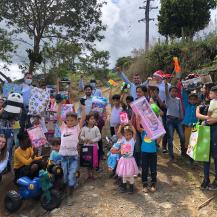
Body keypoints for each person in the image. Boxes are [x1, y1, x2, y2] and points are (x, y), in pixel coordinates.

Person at [57, 103, 86, 205]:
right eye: (68, 120)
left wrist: (83, 108)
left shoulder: (77, 128)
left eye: (72, 120)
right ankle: (65, 192)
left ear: (76, 121)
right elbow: (58, 117)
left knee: (71, 176)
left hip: (73, 157)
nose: (69, 122)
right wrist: (59, 105)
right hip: (63, 157)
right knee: (64, 176)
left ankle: (70, 196)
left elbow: (83, 118)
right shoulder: (63, 128)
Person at [196, 87, 217, 190]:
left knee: (215, 156)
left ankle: (216, 181)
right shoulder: (202, 103)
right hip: (204, 131)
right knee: (205, 156)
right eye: (204, 89)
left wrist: (214, 120)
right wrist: (208, 119)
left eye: (206, 89)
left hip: (214, 130)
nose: (205, 91)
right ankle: (206, 179)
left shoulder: (214, 102)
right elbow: (198, 114)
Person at [136, 116, 157, 193]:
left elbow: (161, 134)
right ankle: (144, 184)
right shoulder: (143, 131)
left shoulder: (154, 132)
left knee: (153, 168)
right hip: (144, 152)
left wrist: (157, 144)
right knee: (144, 168)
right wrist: (138, 120)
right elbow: (138, 128)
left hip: (153, 152)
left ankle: (153, 183)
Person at [165, 80, 185, 160]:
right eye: (172, 91)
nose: (174, 93)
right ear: (170, 92)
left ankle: (183, 152)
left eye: (175, 91)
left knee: (182, 136)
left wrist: (182, 117)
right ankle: (171, 155)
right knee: (170, 138)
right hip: (170, 120)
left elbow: (180, 109)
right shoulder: (168, 98)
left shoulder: (178, 99)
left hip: (178, 121)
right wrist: (166, 84)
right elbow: (166, 92)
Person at [116, 124, 138, 193]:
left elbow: (135, 132)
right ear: (124, 135)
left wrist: (131, 125)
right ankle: (124, 187)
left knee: (130, 174)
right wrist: (121, 126)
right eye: (126, 135)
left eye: (129, 134)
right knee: (124, 174)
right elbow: (118, 133)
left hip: (130, 160)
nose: (128, 136)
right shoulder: (123, 140)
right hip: (123, 160)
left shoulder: (132, 141)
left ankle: (131, 187)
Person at [80, 113, 101, 179]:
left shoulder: (96, 128)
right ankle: (89, 174)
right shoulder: (84, 128)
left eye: (94, 119)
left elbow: (99, 137)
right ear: (87, 120)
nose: (93, 120)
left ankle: (93, 174)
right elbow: (81, 136)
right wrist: (84, 139)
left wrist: (93, 140)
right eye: (91, 119)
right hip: (86, 147)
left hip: (94, 147)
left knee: (94, 162)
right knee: (87, 161)